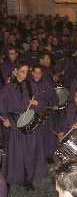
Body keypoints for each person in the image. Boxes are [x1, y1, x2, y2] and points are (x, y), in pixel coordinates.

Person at [0, 61, 47, 189]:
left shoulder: (32, 85)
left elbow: (42, 102)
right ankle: (13, 177)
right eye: (22, 71)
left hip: (29, 122)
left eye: (27, 72)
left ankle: (28, 178)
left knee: (30, 151)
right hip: (15, 122)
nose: (25, 74)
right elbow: (1, 104)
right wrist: (4, 119)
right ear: (16, 71)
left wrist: (37, 104)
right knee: (16, 152)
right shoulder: (8, 87)